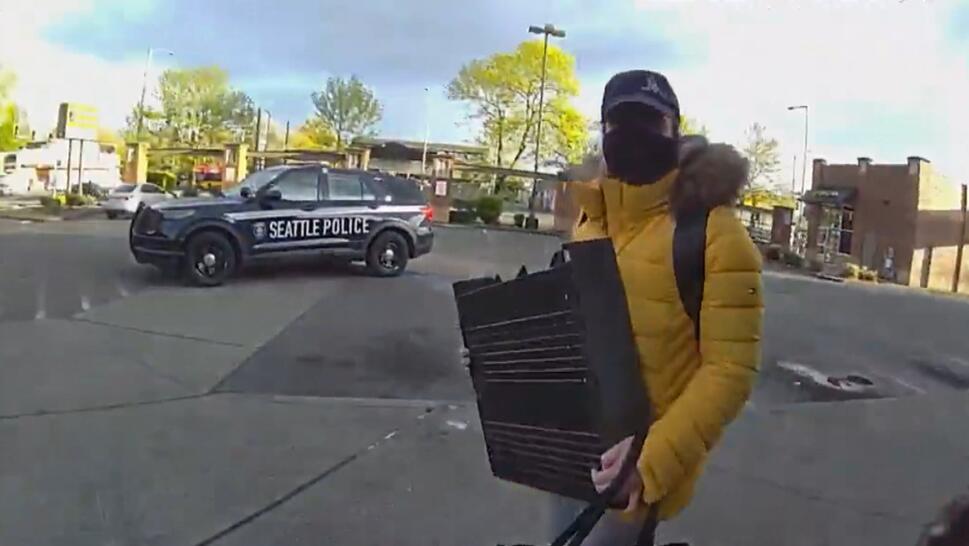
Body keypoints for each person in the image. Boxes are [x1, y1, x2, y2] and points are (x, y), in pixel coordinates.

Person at [551, 70, 764, 544]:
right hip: (567, 452)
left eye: (650, 121)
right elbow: (576, 323)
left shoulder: (714, 234)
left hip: (633, 474)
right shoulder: (592, 216)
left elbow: (730, 370)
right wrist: (503, 356)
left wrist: (648, 463)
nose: (631, 136)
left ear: (676, 131)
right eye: (618, 122)